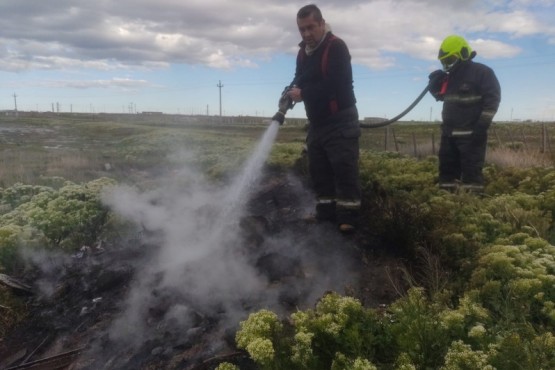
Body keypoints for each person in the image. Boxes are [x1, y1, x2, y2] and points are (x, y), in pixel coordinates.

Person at [275, 4, 360, 233]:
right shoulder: (304, 52)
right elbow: (300, 78)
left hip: (341, 121)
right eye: (301, 29)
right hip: (318, 123)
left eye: (310, 28)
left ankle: (348, 220)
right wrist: (290, 92)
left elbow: (336, 83)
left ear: (322, 24)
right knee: (319, 171)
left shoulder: (336, 47)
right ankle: (326, 216)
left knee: (344, 170)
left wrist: (304, 94)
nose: (306, 34)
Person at [428, 35, 501, 193]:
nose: (447, 64)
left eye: (451, 59)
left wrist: (481, 127)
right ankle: (445, 206)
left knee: (471, 176)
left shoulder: (483, 72)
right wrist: (434, 86)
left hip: (472, 136)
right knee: (446, 174)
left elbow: (492, 101)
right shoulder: (450, 77)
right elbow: (441, 97)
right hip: (448, 136)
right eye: (444, 61)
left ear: (463, 53)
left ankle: (472, 209)